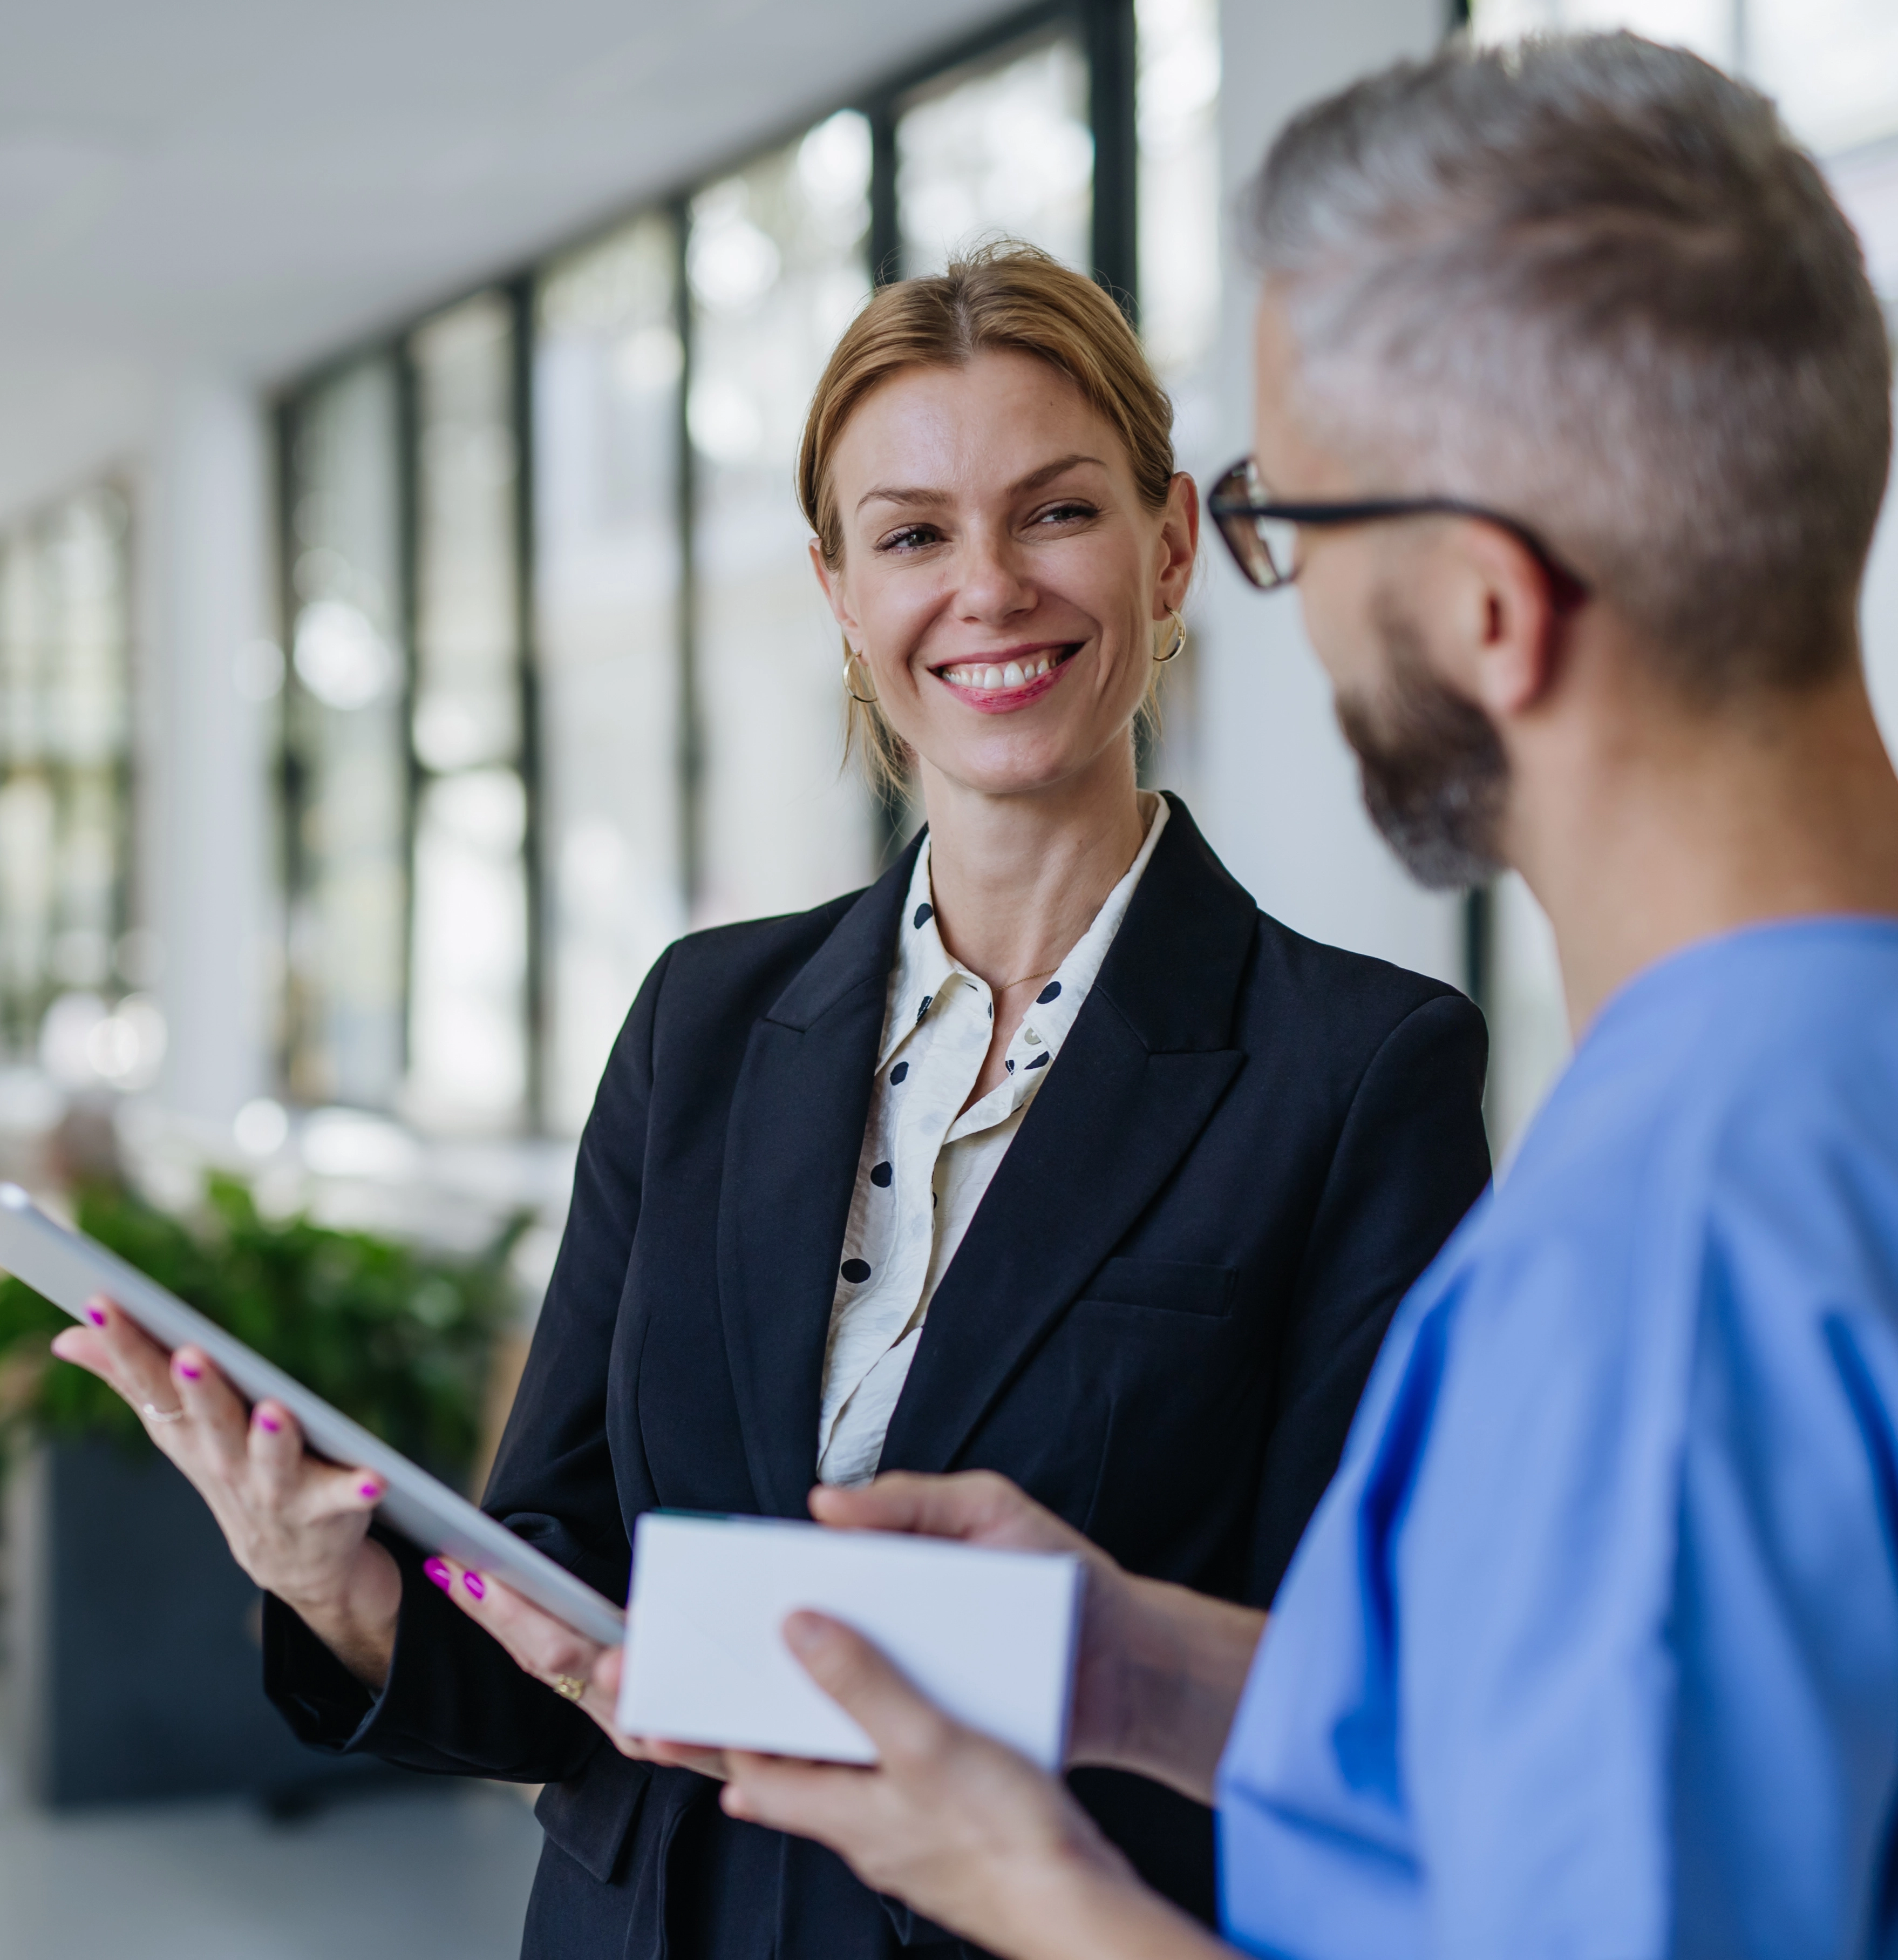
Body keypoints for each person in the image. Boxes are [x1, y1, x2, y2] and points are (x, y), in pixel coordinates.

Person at [683, 37, 1898, 1960]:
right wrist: (1139, 1673)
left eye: (1290, 519)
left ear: (1486, 605)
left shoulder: (1661, 1252)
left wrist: (1027, 1884)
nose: (1280, 589)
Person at [51, 245, 1492, 1959]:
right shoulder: (705, 1021)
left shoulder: (1357, 1070)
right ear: (835, 587)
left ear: (1169, 540)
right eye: (910, 534)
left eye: (1053, 513)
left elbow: (1338, 1686)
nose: (987, 589)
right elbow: (558, 1594)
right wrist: (340, 1586)